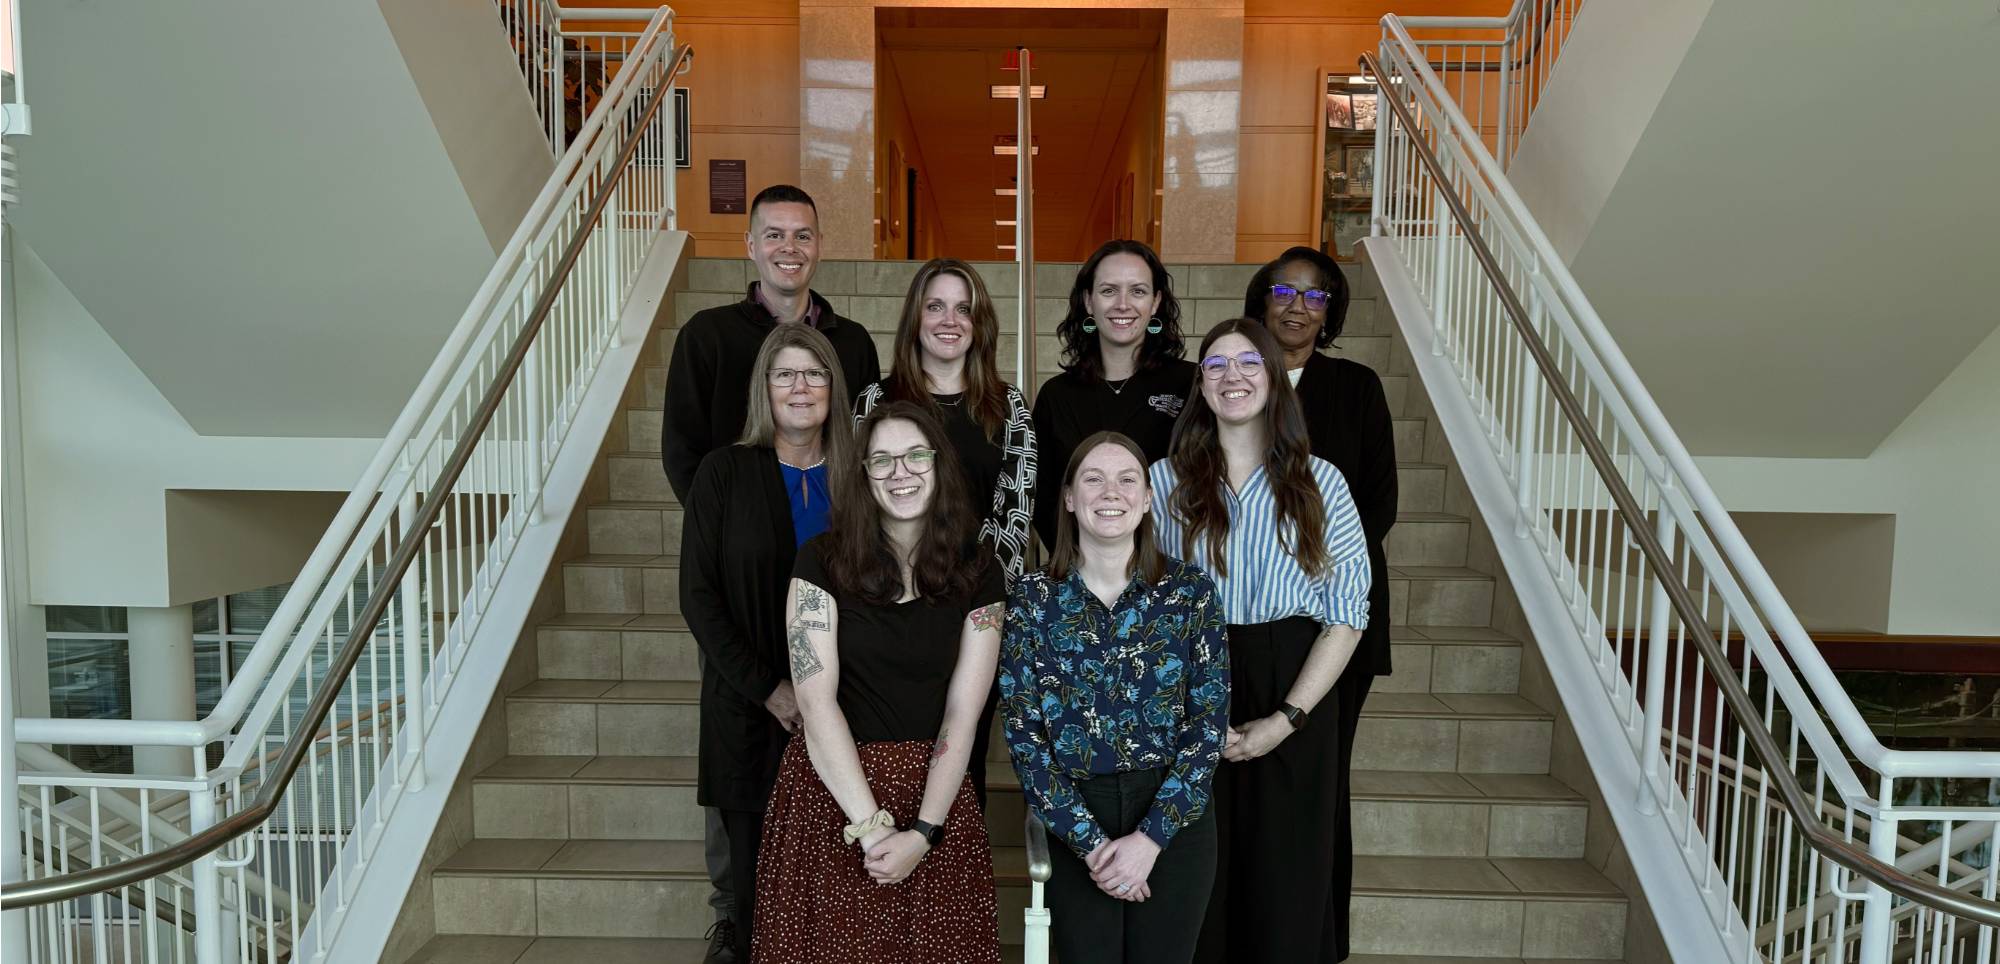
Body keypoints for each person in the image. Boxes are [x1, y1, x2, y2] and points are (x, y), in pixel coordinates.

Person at [660, 183, 879, 962]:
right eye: (774, 235)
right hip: (745, 619)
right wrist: (730, 523)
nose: (790, 248)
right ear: (750, 245)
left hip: (839, 663)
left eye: (803, 235)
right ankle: (738, 921)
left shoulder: (852, 350)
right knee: (746, 806)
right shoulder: (710, 341)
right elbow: (683, 461)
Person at [1149, 319, 1372, 964]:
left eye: (1250, 362)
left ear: (1274, 379)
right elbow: (1143, 605)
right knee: (1199, 874)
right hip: (1192, 682)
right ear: (1201, 385)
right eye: (1215, 365)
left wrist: (1287, 718)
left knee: (1287, 875)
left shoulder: (1321, 483)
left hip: (1293, 681)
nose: (1233, 376)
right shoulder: (1164, 484)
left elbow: (1347, 616)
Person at [753, 401, 1005, 964]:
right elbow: (816, 706)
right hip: (837, 798)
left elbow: (964, 714)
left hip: (934, 801)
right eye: (882, 461)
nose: (901, 472)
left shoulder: (978, 570)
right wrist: (870, 830)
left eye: (916, 456)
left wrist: (922, 833)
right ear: (862, 475)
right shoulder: (820, 561)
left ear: (939, 466)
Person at [1001, 431, 1229, 964]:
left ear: (1148, 499)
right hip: (1074, 815)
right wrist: (1094, 847)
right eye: (1093, 479)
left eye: (1128, 479)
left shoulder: (1189, 592)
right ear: (1069, 498)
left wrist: (1149, 840)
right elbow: (1023, 735)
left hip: (1174, 822)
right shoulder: (1033, 599)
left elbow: (1208, 725)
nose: (1112, 492)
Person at [679, 325, 853, 963]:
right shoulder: (722, 473)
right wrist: (769, 688)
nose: (800, 388)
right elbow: (699, 598)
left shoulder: (857, 480)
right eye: (786, 375)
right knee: (757, 898)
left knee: (837, 891)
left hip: (845, 715)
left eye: (815, 374)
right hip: (750, 714)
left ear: (834, 388)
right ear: (764, 388)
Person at [1243, 246, 1397, 962]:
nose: (1296, 305)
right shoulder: (1235, 375)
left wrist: (1300, 575)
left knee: (1317, 787)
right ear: (1262, 298)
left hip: (1336, 615)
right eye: (1283, 290)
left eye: (1314, 296)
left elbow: (1376, 504)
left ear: (1330, 311)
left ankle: (1317, 936)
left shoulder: (1356, 386)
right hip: (1246, 618)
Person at [856, 257, 1036, 811]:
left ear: (981, 323)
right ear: (915, 318)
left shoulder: (1010, 409)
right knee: (885, 761)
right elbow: (861, 505)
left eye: (965, 308)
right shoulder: (875, 402)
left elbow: (1017, 517)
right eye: (935, 305)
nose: (950, 319)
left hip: (973, 617)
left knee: (962, 765)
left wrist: (976, 602)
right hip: (890, 614)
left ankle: (950, 881)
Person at [1031, 240, 1197, 550]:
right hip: (1080, 573)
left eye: (1138, 291)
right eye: (1109, 291)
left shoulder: (1190, 384)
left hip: (1169, 571)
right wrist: (1083, 565)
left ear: (1156, 301)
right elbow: (1044, 500)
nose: (1123, 304)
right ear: (1089, 301)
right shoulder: (1057, 396)